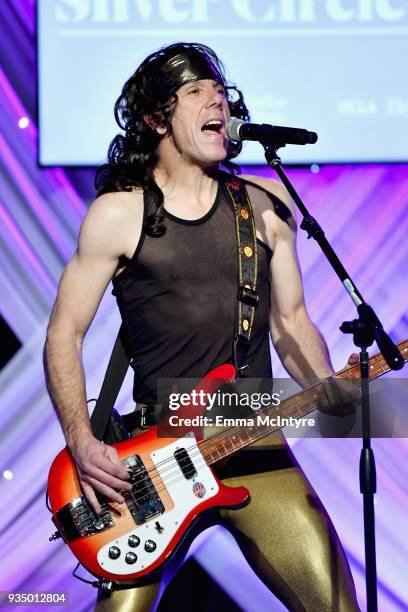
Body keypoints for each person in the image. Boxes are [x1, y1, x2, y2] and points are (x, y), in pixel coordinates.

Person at [44, 42, 360, 611]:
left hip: (251, 440)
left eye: (220, 92)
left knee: (337, 605)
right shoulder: (119, 213)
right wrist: (82, 442)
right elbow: (62, 336)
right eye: (196, 92)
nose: (217, 101)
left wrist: (329, 387)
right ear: (154, 118)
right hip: (151, 465)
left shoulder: (266, 208)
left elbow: (291, 324)